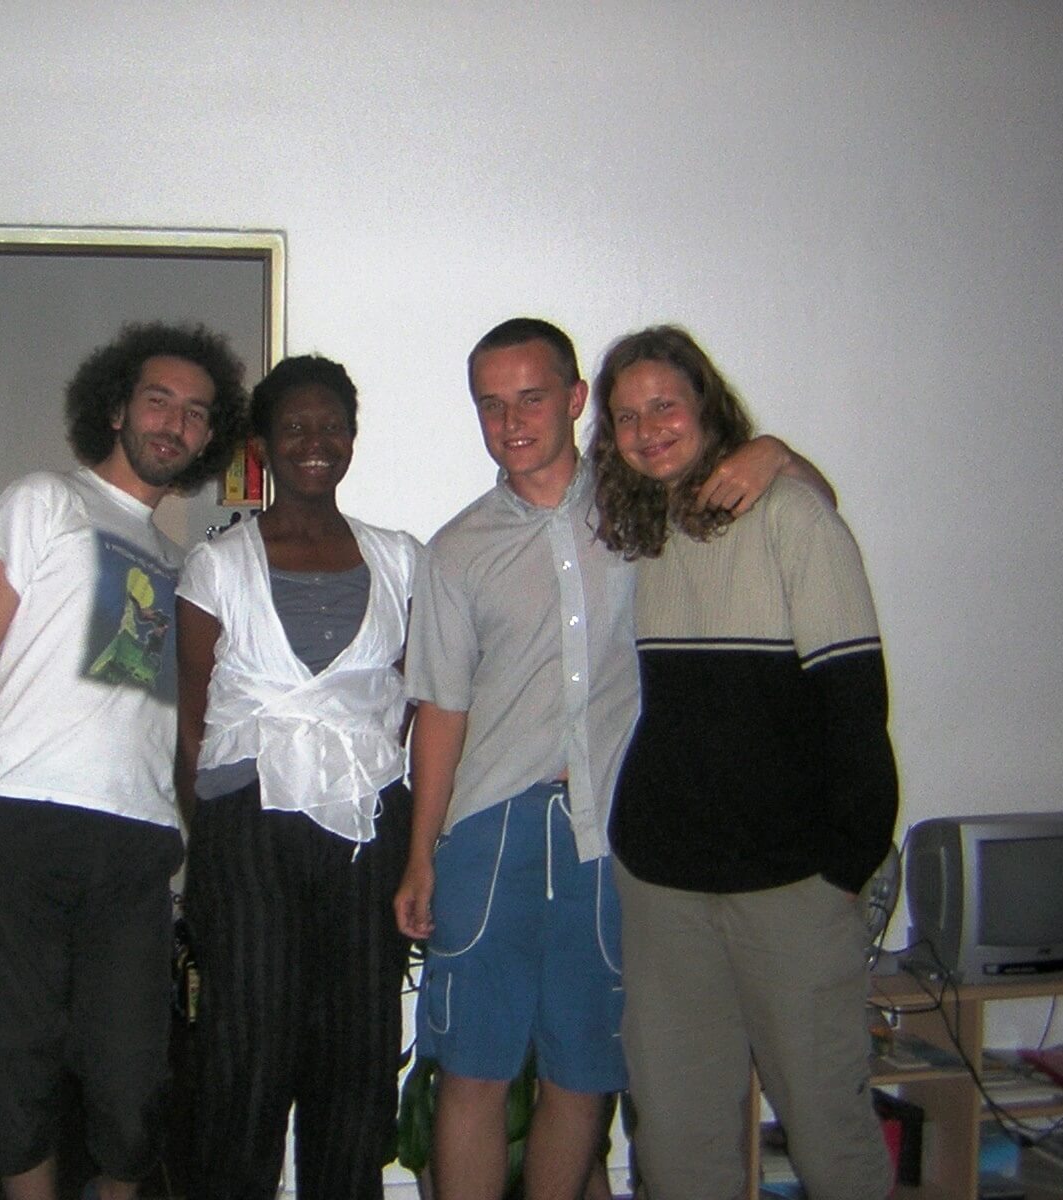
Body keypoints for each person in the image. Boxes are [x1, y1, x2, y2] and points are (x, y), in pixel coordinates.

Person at [393, 317, 829, 1200]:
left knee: (583, 1074)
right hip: (491, 832)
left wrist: (774, 453)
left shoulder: (648, 510)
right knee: (473, 1068)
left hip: (613, 834)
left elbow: (815, 503)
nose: (511, 422)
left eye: (531, 398)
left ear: (575, 399)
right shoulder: (455, 551)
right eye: (490, 405)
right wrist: (420, 854)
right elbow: (441, 710)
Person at [0, 321, 246, 1200]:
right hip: (20, 824)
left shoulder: (182, 561)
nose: (175, 422)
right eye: (159, 399)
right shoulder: (44, 500)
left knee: (134, 1082)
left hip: (136, 846)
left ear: (208, 437)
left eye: (196, 412)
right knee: (16, 1066)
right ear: (116, 408)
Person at [592, 324, 897, 1200]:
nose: (648, 429)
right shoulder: (642, 534)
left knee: (828, 1127)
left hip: (792, 885)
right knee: (677, 1137)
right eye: (626, 416)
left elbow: (858, 711)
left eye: (664, 406)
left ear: (706, 407)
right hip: (665, 885)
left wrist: (843, 870)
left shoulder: (793, 519)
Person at [175, 355, 421, 1200]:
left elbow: (415, 697)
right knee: (248, 1048)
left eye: (332, 427)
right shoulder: (217, 565)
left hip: (366, 823)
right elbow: (191, 715)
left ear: (351, 437)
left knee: (357, 1048)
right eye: (295, 427)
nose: (316, 442)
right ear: (265, 445)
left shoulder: (400, 560)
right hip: (247, 822)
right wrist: (208, 840)